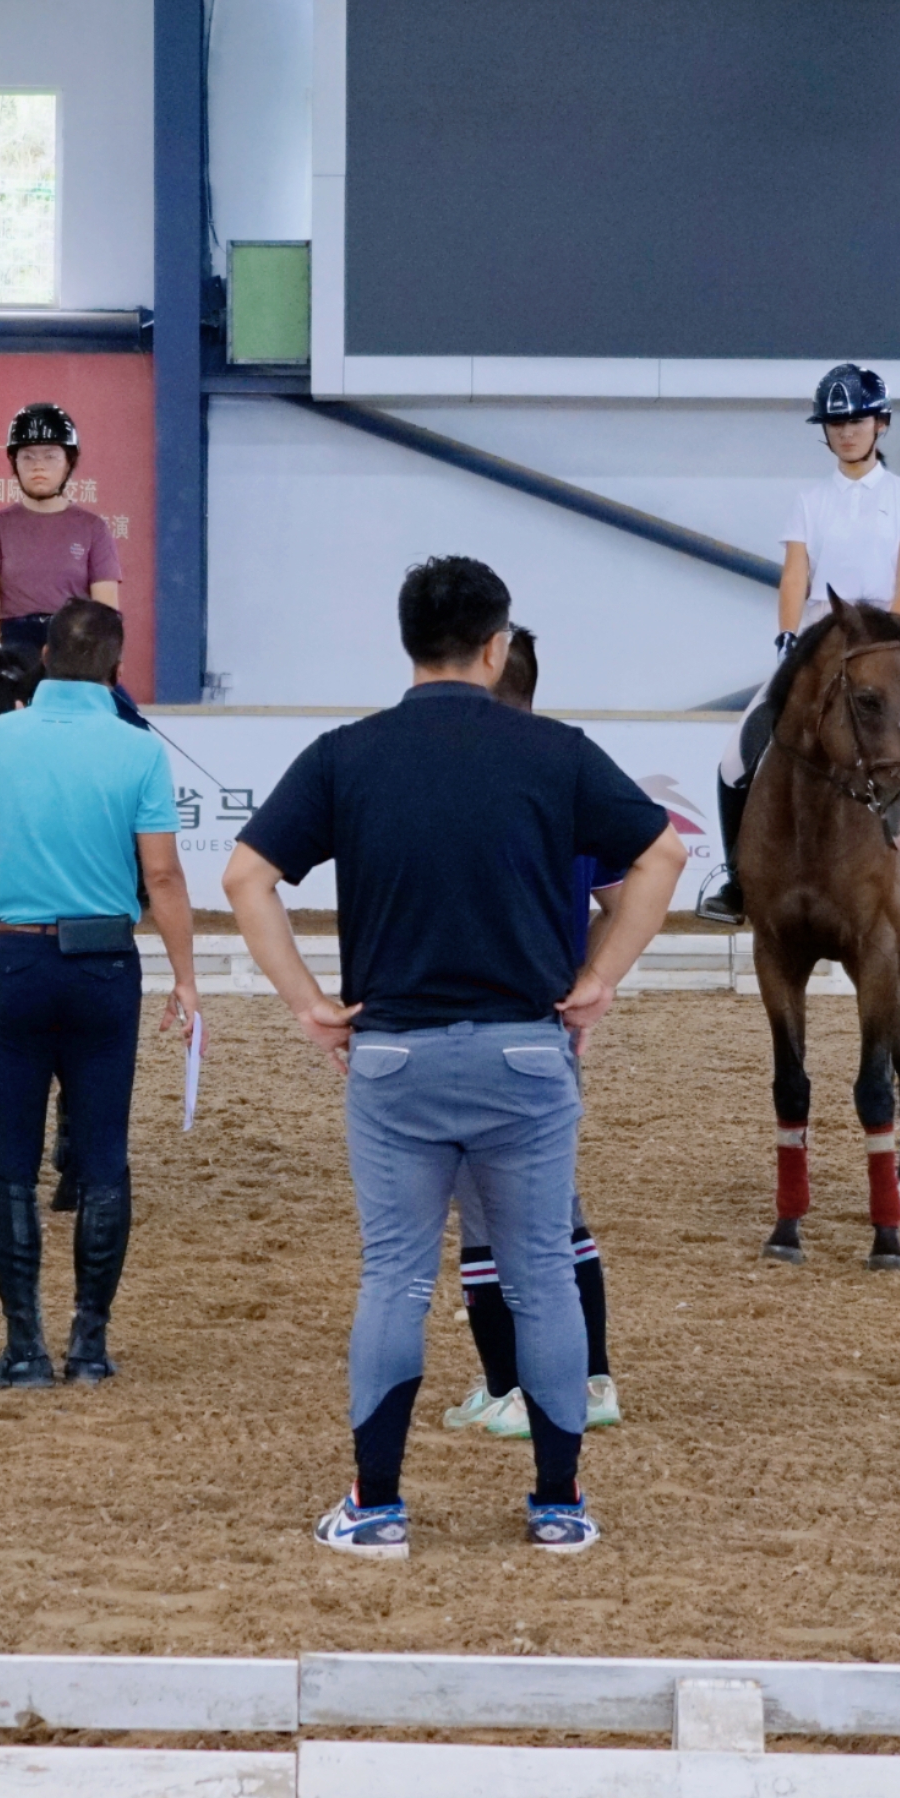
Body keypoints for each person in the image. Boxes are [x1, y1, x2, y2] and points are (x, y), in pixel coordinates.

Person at [224, 555, 681, 1560]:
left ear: (407, 643)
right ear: (497, 646)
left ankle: (376, 1505)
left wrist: (308, 1003)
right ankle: (559, 1503)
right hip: (526, 1053)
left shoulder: (347, 754)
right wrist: (599, 974)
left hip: (393, 1059)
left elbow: (247, 874)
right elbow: (664, 855)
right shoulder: (553, 750)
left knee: (393, 1279)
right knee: (542, 1280)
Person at [0, 598, 198, 1386]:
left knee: (11, 1163)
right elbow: (162, 874)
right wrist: (186, 978)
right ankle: (89, 1347)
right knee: (104, 1156)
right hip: (105, 963)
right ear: (116, 671)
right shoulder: (139, 750)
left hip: (16, 962)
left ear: (44, 656)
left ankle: (24, 1348)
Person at [706, 362, 900, 925]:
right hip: (819, 634)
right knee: (733, 758)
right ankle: (737, 878)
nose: (846, 431)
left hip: (886, 639)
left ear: (880, 424)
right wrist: (788, 634)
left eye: (857, 420)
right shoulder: (810, 500)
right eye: (836, 423)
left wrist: (892, 637)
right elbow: (796, 573)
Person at [443, 629, 619, 1441]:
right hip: (552, 1021)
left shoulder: (465, 774)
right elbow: (625, 892)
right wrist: (593, 979)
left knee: (488, 1216)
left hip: (478, 1014)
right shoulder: (573, 770)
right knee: (551, 1209)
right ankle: (570, 1378)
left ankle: (526, 1383)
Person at [0, 401, 148, 727]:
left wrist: (110, 658)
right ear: (14, 463)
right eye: (28, 456)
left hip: (76, 645)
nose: (39, 466)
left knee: (137, 729)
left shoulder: (93, 528)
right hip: (14, 648)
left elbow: (106, 610)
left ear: (69, 463)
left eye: (50, 456)